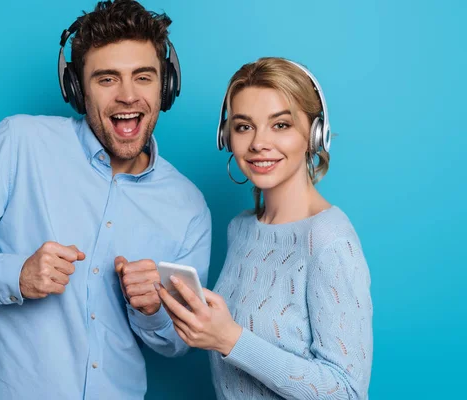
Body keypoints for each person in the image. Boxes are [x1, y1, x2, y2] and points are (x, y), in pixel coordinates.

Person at [0, 1, 211, 398]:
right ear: (76, 89)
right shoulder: (21, 142)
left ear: (166, 86)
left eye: (143, 77)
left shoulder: (189, 205)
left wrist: (152, 311)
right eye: (106, 79)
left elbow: (177, 342)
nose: (127, 96)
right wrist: (15, 275)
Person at [156, 57, 373, 399]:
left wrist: (230, 339)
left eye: (280, 125)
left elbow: (346, 392)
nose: (258, 143)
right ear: (226, 137)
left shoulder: (329, 241)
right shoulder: (240, 229)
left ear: (315, 134)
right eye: (244, 126)